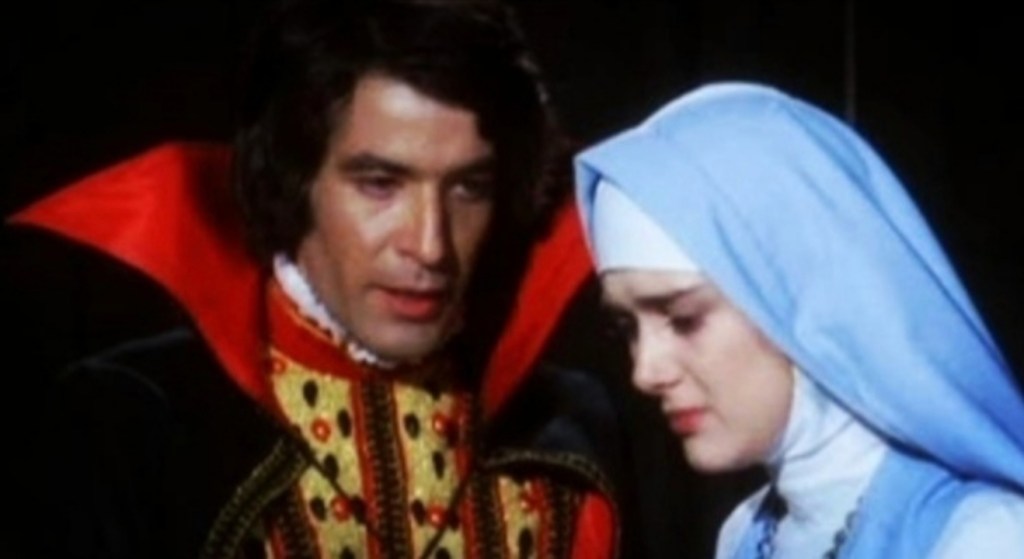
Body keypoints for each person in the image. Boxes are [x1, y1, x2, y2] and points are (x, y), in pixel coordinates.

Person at [8, 0, 625, 557]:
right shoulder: (134, 417)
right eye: (379, 184)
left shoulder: (568, 425)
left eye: (469, 188)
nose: (430, 245)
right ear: (291, 182)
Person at [572, 81, 1024, 558]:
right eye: (627, 328)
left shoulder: (985, 538)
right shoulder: (743, 536)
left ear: (799, 304)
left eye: (684, 319)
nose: (645, 372)